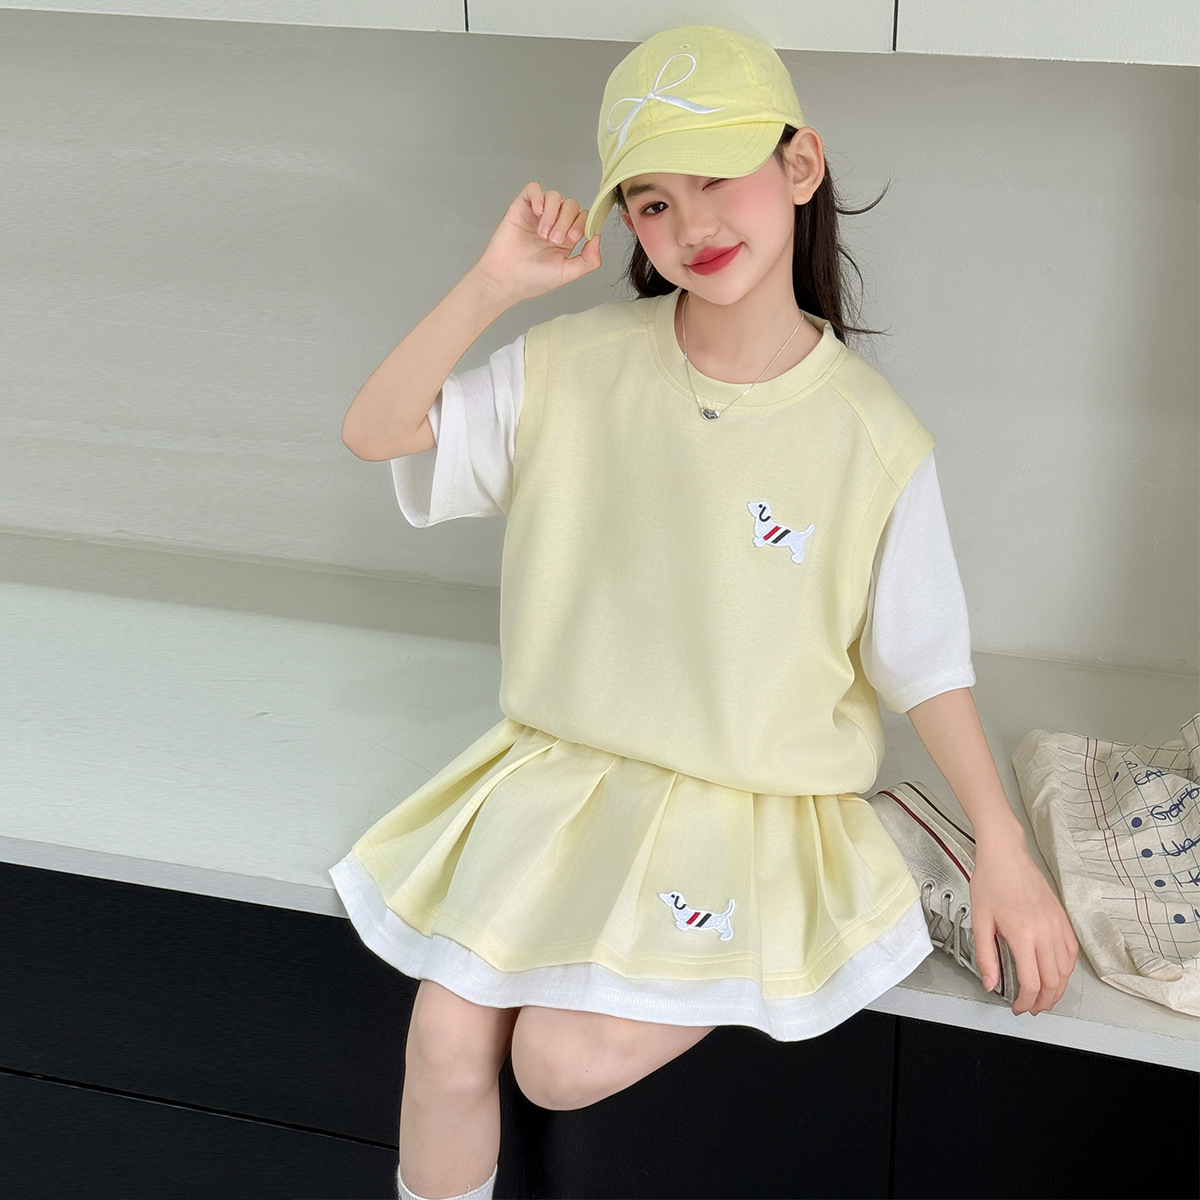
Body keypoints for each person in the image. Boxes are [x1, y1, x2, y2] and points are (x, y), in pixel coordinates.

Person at [329, 25, 1079, 1200]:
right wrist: (495, 286)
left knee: (553, 1062)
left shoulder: (872, 437)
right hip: (567, 785)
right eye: (652, 202)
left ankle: (881, 847)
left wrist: (1005, 850)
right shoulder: (574, 365)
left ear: (799, 164)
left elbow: (924, 658)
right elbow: (376, 431)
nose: (691, 226)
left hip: (750, 801)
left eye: (717, 178)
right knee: (443, 1039)